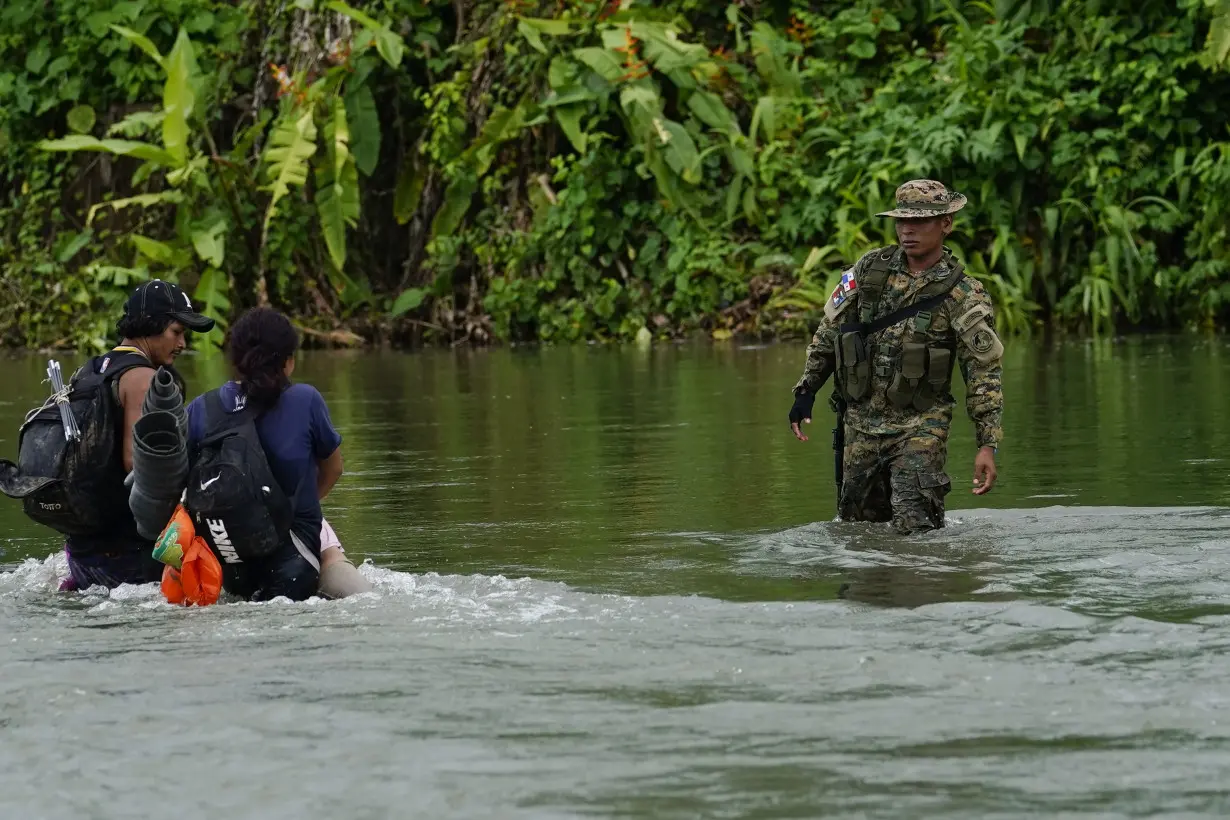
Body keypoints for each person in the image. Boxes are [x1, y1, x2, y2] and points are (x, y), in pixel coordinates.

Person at [788, 179, 1004, 534]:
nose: (908, 230)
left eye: (919, 222)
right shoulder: (869, 269)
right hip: (860, 425)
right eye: (902, 221)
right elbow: (830, 329)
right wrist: (806, 390)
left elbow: (983, 373)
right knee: (858, 532)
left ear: (946, 224)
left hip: (922, 426)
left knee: (915, 532)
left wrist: (987, 444)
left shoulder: (964, 294)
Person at [184, 307, 364, 602]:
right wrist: (290, 507)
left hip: (231, 572)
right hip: (297, 568)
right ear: (289, 362)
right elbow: (334, 469)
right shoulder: (306, 400)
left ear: (235, 361)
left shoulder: (202, 408)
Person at [59, 281, 215, 588]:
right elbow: (138, 464)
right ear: (150, 324)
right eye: (176, 332)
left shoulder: (91, 369)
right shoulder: (143, 377)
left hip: (81, 544)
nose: (183, 343)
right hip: (123, 550)